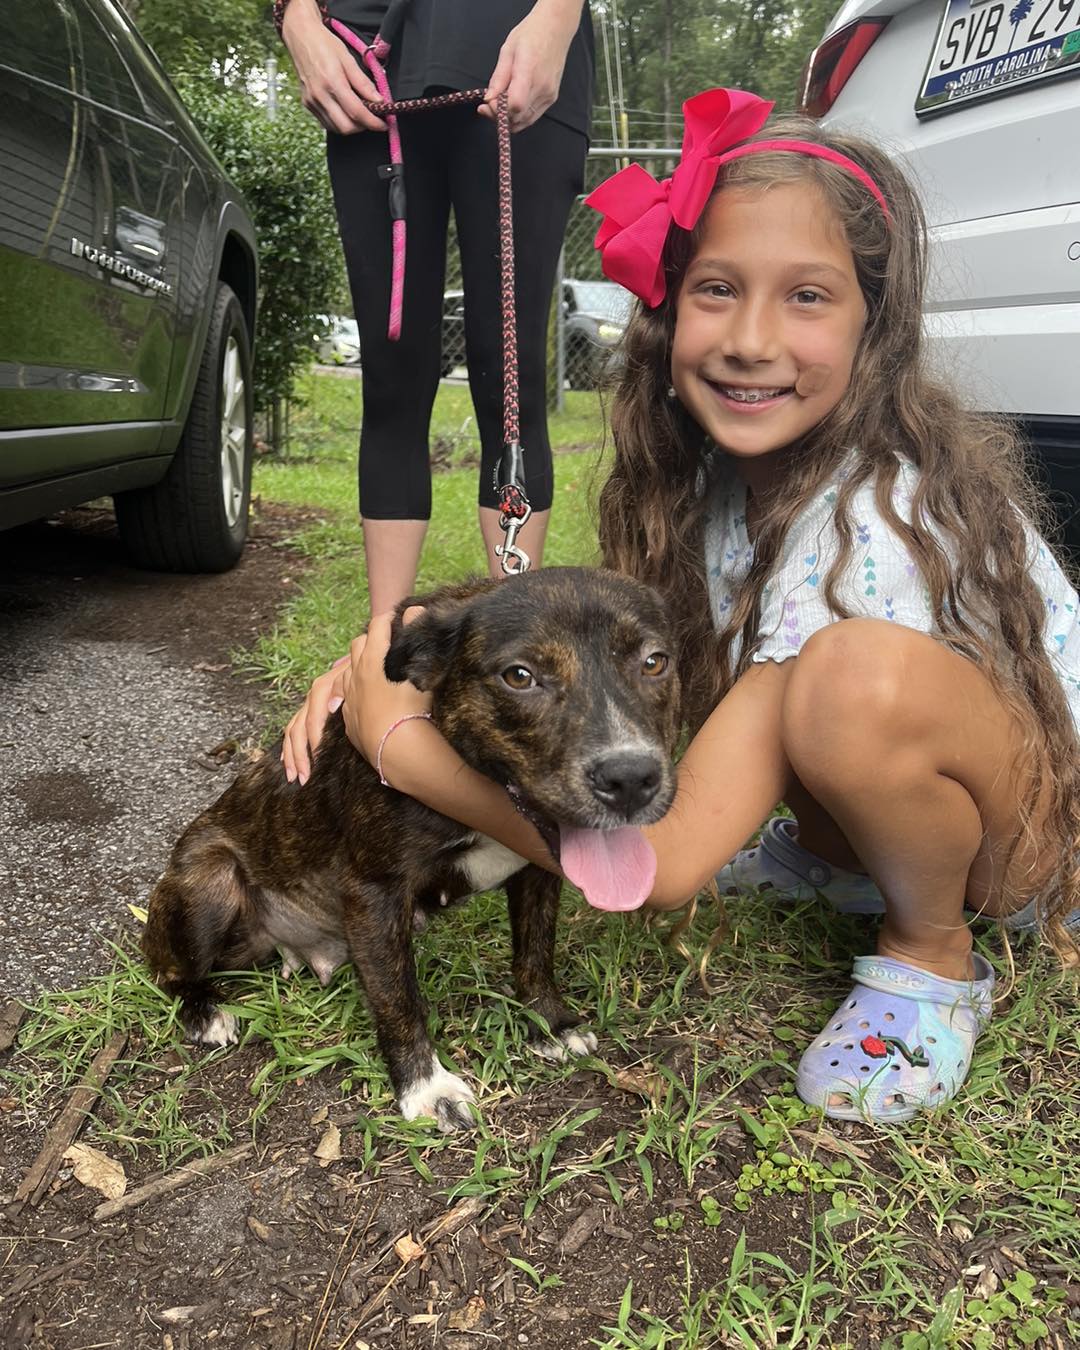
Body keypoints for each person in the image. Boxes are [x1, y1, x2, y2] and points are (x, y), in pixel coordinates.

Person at [281, 88, 1080, 1124]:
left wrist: (397, 743)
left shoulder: (881, 516)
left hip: (1040, 847)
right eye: (716, 288)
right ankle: (838, 861)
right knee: (764, 683)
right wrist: (394, 645)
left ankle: (931, 950)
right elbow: (565, 622)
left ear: (875, 328)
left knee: (850, 684)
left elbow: (657, 867)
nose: (752, 338)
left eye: (808, 297)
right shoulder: (711, 493)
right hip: (956, 799)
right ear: (662, 316)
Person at [275, 0, 595, 614]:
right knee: (391, 377)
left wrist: (557, 17)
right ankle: (383, 646)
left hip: (519, 48)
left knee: (510, 374)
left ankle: (516, 646)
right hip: (367, 62)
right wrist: (296, 19)